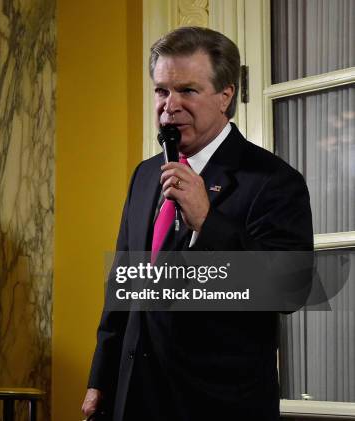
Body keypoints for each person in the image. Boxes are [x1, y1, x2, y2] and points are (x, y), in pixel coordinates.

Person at [81, 27, 313, 421]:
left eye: (187, 90)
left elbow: (289, 291)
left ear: (226, 95)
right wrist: (100, 378)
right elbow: (124, 280)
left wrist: (208, 221)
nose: (169, 105)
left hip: (215, 405)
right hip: (133, 398)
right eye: (161, 91)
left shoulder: (275, 180)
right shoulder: (145, 174)